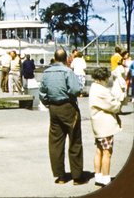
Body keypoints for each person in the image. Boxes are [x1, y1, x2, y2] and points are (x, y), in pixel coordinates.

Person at [39, 48, 88, 185]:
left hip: (53, 108)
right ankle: (77, 176)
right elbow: (75, 89)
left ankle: (60, 176)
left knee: (56, 142)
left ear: (54, 58)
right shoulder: (67, 71)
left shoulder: (46, 72)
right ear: (66, 58)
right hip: (68, 107)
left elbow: (42, 92)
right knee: (75, 140)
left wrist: (48, 103)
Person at [89, 67, 122, 187]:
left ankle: (98, 176)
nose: (108, 80)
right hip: (105, 125)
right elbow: (114, 106)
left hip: (97, 124)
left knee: (99, 151)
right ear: (103, 78)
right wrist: (119, 102)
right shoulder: (102, 90)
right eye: (107, 78)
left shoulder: (93, 87)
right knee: (107, 152)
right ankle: (106, 179)